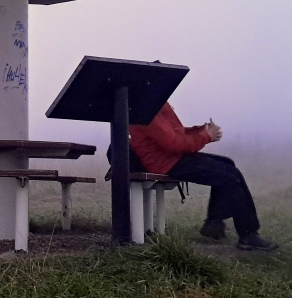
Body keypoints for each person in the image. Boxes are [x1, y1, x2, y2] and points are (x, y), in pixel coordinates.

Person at [108, 101, 279, 251]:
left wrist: (201, 130)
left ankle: (214, 222)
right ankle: (247, 235)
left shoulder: (154, 105)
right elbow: (173, 144)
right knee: (229, 175)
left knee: (227, 165)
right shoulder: (148, 108)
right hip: (168, 163)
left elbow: (176, 133)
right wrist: (206, 136)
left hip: (173, 158)